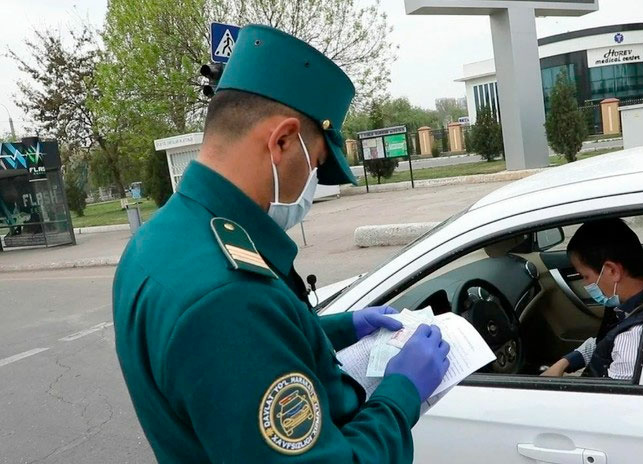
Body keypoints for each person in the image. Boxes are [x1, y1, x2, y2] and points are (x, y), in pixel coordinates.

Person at [113, 24, 450, 463]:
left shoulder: (162, 238)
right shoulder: (228, 298)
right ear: (282, 141)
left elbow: (248, 352)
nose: (312, 184)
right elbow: (237, 333)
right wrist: (401, 393)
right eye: (317, 164)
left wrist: (343, 328)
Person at [541, 218, 643, 379]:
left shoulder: (631, 337)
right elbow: (605, 341)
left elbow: (612, 399)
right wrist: (565, 362)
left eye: (585, 276)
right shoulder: (636, 301)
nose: (586, 284)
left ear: (612, 271)